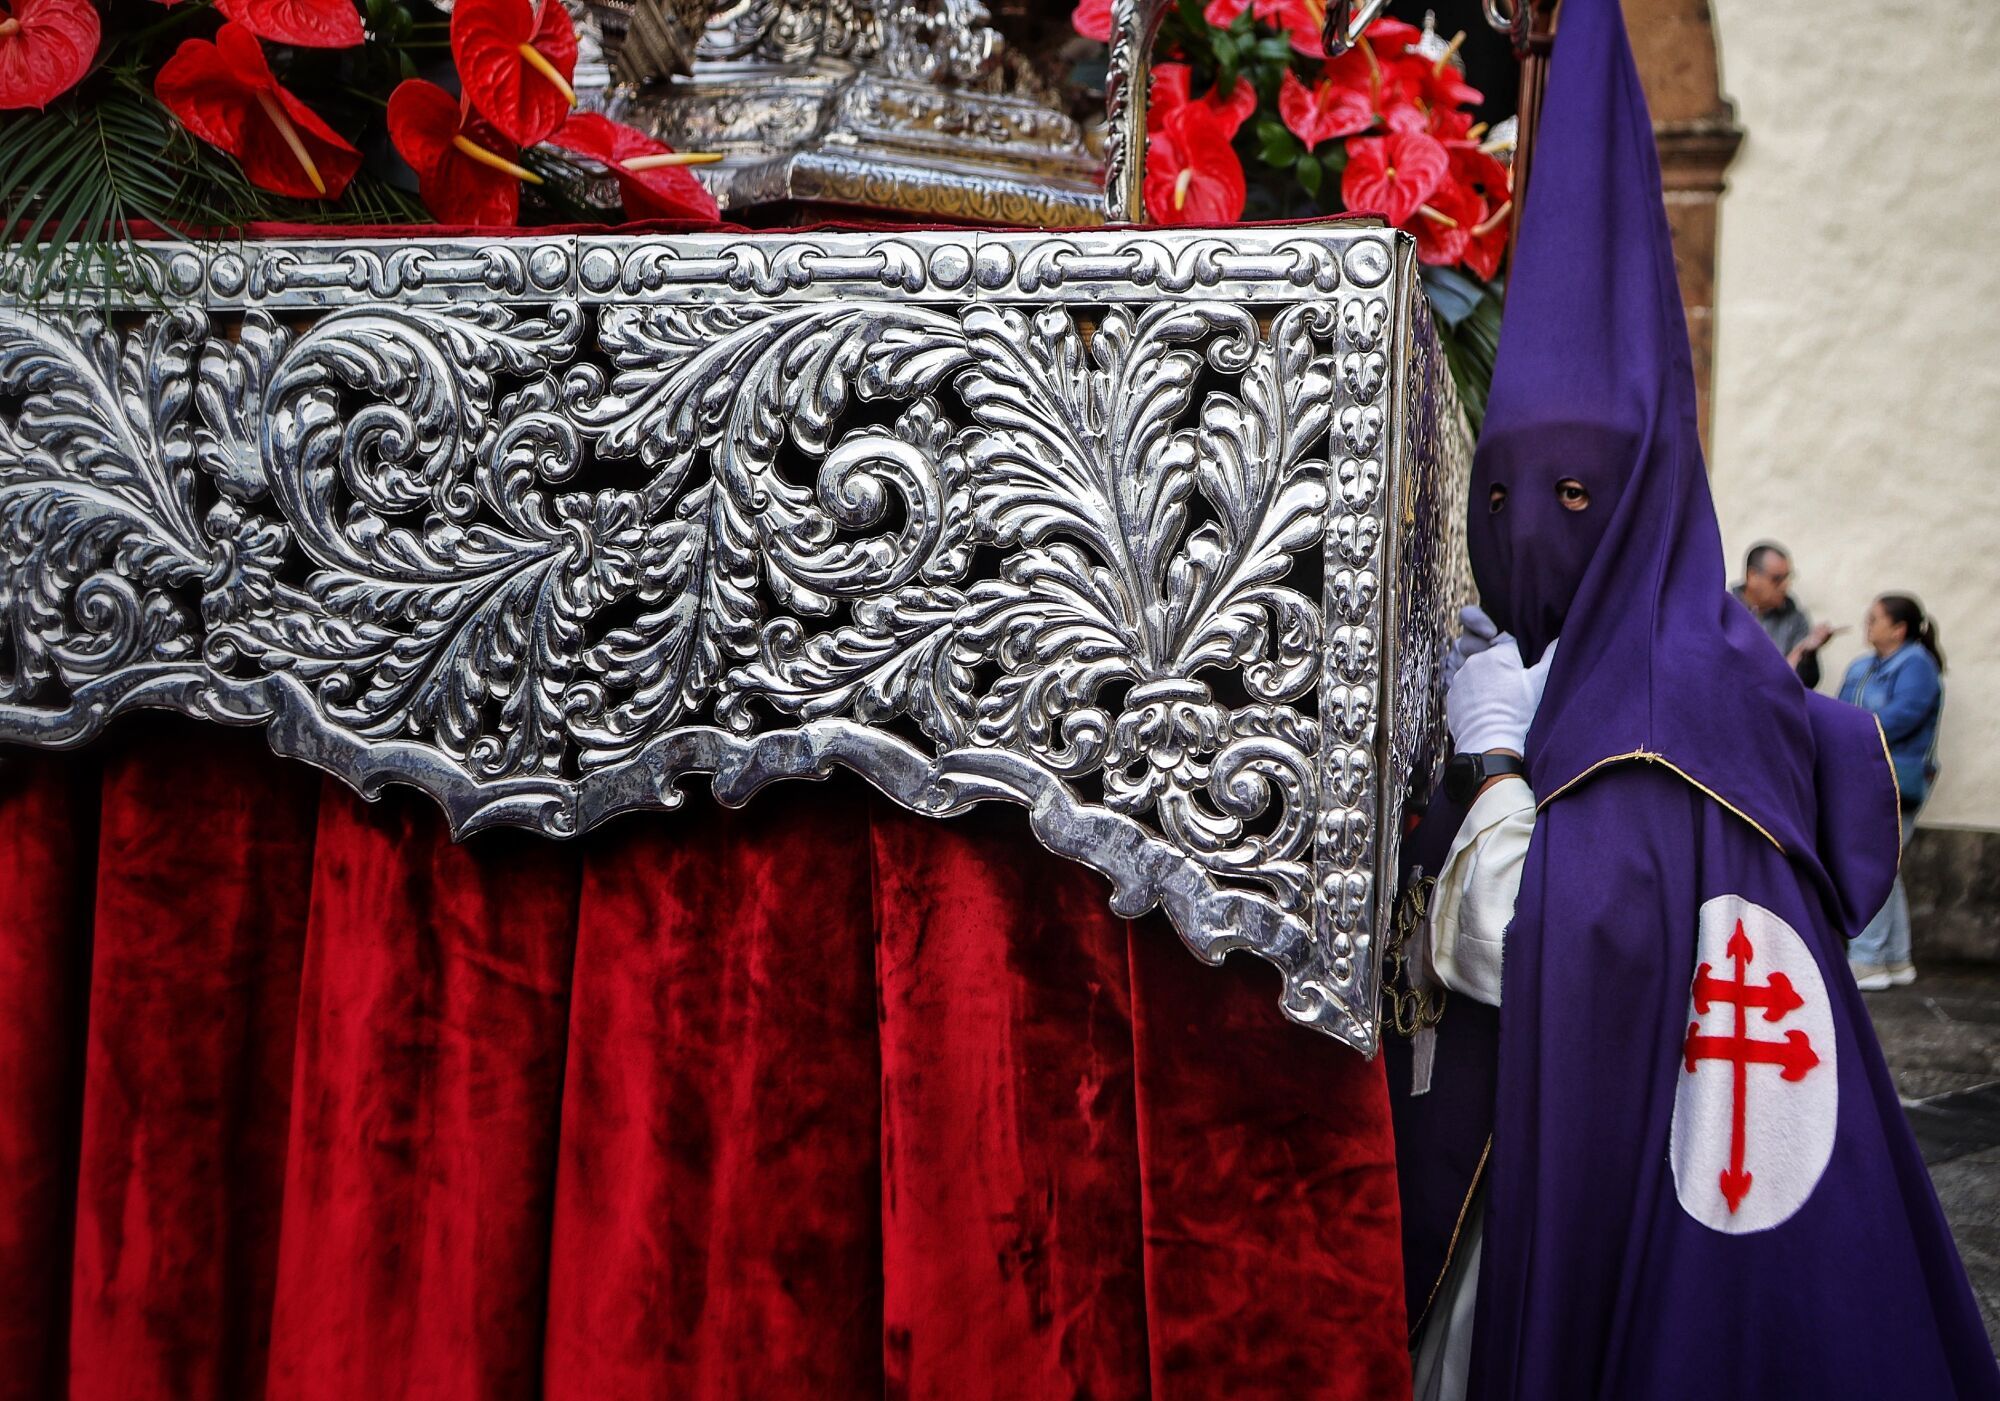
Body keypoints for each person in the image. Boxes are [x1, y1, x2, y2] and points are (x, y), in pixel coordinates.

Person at [1394, 0, 2000, 1395]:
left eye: (1555, 497)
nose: (1524, 529)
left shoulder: (1634, 723)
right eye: (1504, 494)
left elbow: (1537, 947)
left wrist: (1491, 768)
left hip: (1643, 1179)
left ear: (1616, 498)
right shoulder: (1709, 659)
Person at [1839, 594, 1945, 989]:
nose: (1868, 623)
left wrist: (1847, 731)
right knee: (1887, 867)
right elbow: (1840, 710)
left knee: (1873, 865)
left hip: (1894, 780)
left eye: (1875, 619)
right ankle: (1897, 961)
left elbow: (1898, 719)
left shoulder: (1917, 665)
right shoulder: (1863, 665)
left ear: (1898, 629)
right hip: (1863, 774)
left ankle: (1868, 959)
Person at [1732, 542, 1837, 687]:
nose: (1785, 585)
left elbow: (1807, 684)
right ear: (1752, 576)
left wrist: (1807, 654)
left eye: (1788, 578)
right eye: (1777, 579)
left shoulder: (1794, 619)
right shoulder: (1723, 609)